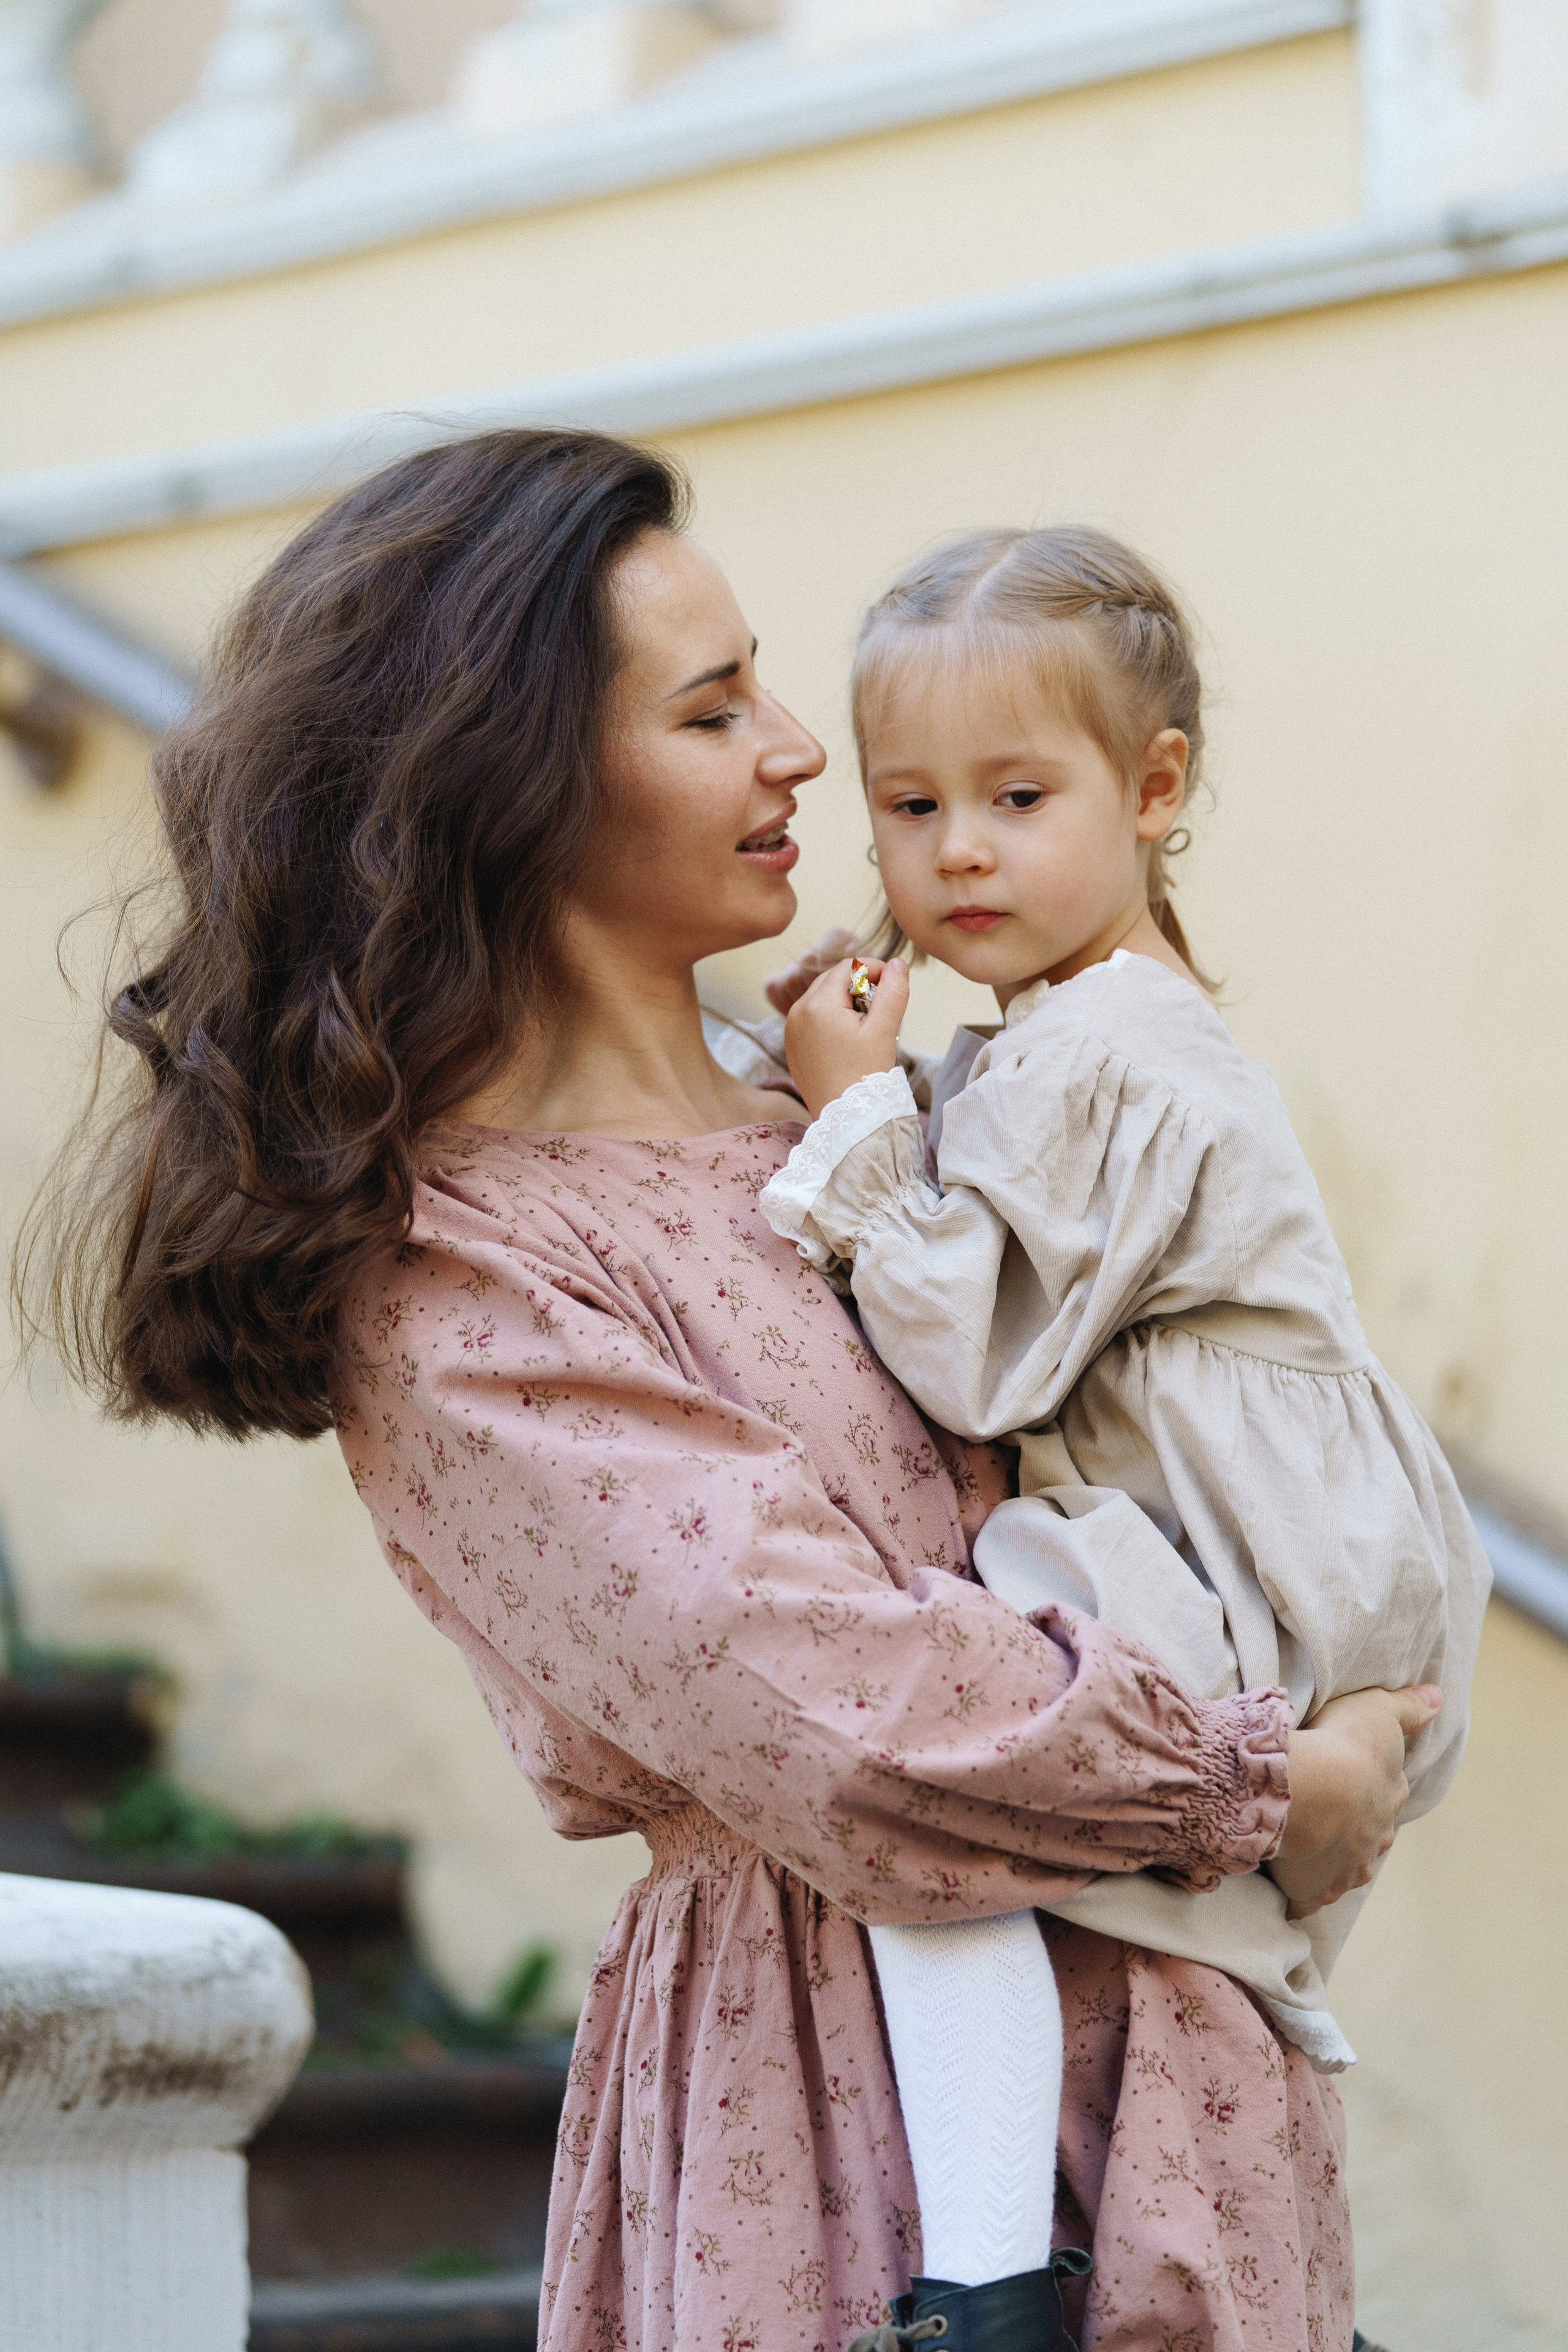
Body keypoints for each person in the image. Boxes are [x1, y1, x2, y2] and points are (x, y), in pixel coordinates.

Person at [22, 431, 1438, 2352]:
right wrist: (1274, 1777)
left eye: (765, 680)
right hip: (855, 2113)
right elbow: (846, 1711)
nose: (798, 750)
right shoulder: (464, 1269)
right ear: (512, 784)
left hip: (1180, 2050)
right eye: (714, 709)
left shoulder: (841, 1107)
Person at [758, 526, 1489, 2340]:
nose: (961, 852)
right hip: (1255, 1522)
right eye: (911, 808)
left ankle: (1012, 2254)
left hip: (1253, 1536)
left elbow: (977, 1350)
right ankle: (1237, 1990)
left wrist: (851, 1123)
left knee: (983, 1668)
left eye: (1018, 794)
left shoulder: (1108, 1048)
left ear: (1154, 789)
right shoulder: (1060, 1039)